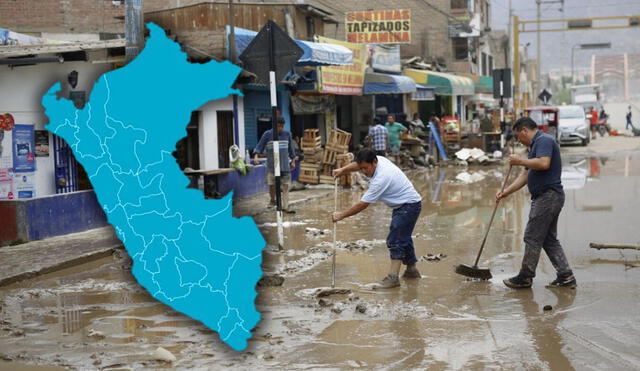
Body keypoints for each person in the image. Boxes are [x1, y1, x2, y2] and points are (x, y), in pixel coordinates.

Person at [496, 117, 576, 289]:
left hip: (548, 196)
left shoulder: (543, 140)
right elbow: (525, 175)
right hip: (548, 197)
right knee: (548, 239)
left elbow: (544, 163)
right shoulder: (534, 146)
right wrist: (505, 192)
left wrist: (520, 161)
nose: (519, 140)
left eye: (518, 136)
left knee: (532, 236)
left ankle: (525, 277)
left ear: (525, 130)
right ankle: (566, 276)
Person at [332, 149, 422, 289]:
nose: (363, 172)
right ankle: (412, 270)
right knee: (404, 237)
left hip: (408, 206)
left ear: (374, 162)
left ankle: (393, 278)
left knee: (395, 239)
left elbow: (362, 204)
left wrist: (340, 215)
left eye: (366, 168)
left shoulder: (381, 178)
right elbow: (357, 164)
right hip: (406, 204)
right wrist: (342, 170)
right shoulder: (378, 160)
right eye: (361, 169)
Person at [253, 116, 298, 213]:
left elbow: (291, 149)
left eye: (282, 126)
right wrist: (256, 156)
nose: (280, 129)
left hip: (285, 165)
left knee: (285, 186)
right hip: (272, 166)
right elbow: (260, 145)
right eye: (278, 126)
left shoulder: (287, 134)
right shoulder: (267, 134)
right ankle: (272, 200)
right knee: (272, 185)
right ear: (274, 125)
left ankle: (286, 207)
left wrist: (293, 161)